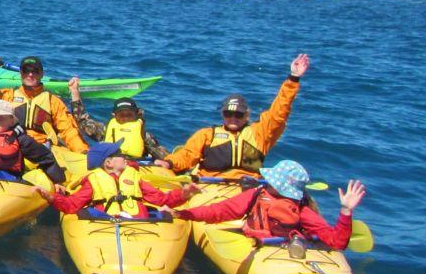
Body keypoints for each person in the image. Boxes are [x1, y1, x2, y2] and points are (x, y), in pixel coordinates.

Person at [155, 54, 309, 177]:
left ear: (247, 115)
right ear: (222, 114)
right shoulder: (207, 135)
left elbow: (279, 112)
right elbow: (187, 155)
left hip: (247, 190)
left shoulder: (260, 133)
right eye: (228, 113)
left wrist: (293, 78)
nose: (233, 117)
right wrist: (168, 163)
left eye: (238, 114)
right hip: (211, 186)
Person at [173, 160, 364, 250]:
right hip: (284, 249)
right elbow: (337, 242)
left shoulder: (257, 195)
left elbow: (217, 212)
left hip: (263, 247)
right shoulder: (303, 208)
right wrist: (345, 213)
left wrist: (182, 214)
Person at [0, 50, 88, 154]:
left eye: (35, 71)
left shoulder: (53, 101)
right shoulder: (8, 95)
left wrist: (82, 152)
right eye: (26, 70)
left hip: (41, 149)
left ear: (42, 74)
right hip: (12, 145)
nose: (30, 74)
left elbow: (68, 130)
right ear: (21, 73)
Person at [48, 141, 197, 216]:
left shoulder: (135, 178)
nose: (124, 156)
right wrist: (51, 197)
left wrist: (183, 195)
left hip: (138, 224)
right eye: (119, 154)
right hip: (107, 223)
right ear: (108, 163)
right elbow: (72, 204)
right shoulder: (93, 181)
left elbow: (161, 200)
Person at [67, 78, 168, 161]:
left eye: (129, 115)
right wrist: (74, 91)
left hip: (135, 168)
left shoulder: (144, 136)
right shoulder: (105, 131)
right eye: (121, 115)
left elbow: (163, 156)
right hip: (111, 167)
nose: (125, 118)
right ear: (114, 115)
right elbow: (82, 121)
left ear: (137, 115)